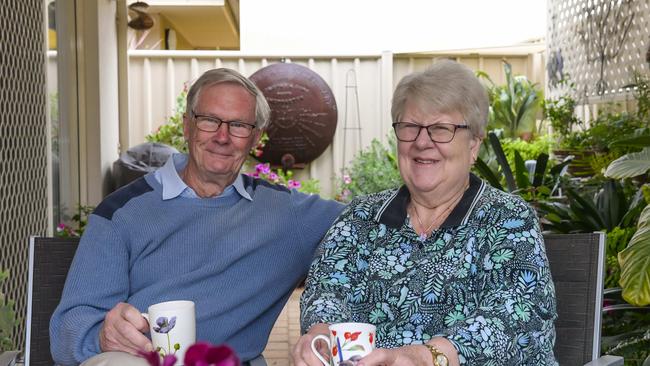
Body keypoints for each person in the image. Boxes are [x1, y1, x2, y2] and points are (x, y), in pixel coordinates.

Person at [50, 68, 344, 366]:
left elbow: (374, 220)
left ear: (255, 138)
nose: (222, 136)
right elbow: (67, 332)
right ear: (187, 126)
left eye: (239, 125)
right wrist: (102, 336)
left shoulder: (287, 214)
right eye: (209, 120)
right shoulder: (123, 213)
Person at [292, 60, 557, 366]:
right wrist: (320, 332)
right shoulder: (361, 217)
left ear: (474, 145)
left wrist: (424, 357)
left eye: (441, 129)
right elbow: (327, 289)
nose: (421, 142)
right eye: (410, 127)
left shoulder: (507, 219)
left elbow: (518, 316)